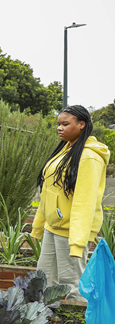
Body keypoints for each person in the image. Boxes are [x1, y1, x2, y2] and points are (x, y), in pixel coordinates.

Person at [31, 105, 110, 302]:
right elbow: (48, 191)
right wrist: (38, 226)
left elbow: (85, 201)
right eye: (59, 124)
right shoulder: (66, 149)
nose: (60, 128)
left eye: (65, 124)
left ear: (81, 124)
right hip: (54, 226)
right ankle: (48, 321)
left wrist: (77, 243)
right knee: (45, 279)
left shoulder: (90, 156)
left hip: (71, 232)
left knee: (73, 285)